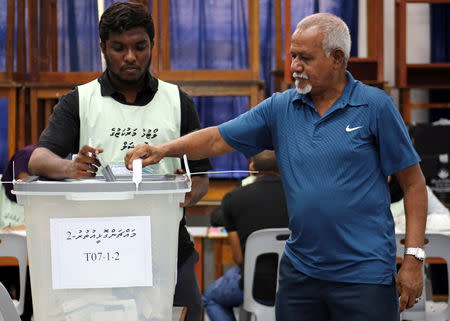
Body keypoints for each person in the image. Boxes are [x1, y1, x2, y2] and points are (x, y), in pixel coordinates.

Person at [125, 13, 428, 321]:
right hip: (300, 276)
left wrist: (413, 259)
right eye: (293, 55)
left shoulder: (375, 107)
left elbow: (414, 184)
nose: (294, 66)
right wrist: (163, 149)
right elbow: (218, 139)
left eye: (305, 58)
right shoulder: (281, 108)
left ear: (337, 58)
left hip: (364, 276)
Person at [27, 3, 211, 321]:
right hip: (97, 253)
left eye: (140, 47)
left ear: (152, 45)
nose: (130, 57)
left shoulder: (178, 102)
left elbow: (202, 178)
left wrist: (187, 192)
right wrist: (70, 168)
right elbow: (38, 159)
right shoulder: (78, 101)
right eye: (118, 47)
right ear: (103, 47)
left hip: (167, 252)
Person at [202, 150, 289, 321]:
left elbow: (239, 258)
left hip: (255, 286)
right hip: (294, 284)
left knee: (211, 297)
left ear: (251, 167)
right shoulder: (298, 196)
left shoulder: (233, 199)